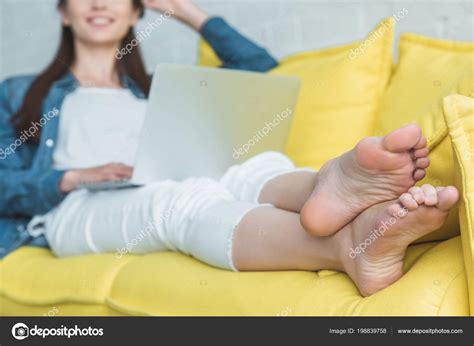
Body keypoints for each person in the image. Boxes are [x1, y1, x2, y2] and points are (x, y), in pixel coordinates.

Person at [0, 0, 458, 297]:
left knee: (248, 166)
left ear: (136, 11)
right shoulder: (20, 92)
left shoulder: (158, 88)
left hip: (167, 172)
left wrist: (184, 11)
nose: (100, 3)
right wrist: (71, 177)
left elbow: (260, 68)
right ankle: (345, 244)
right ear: (63, 12)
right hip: (72, 209)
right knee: (176, 201)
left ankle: (328, 183)